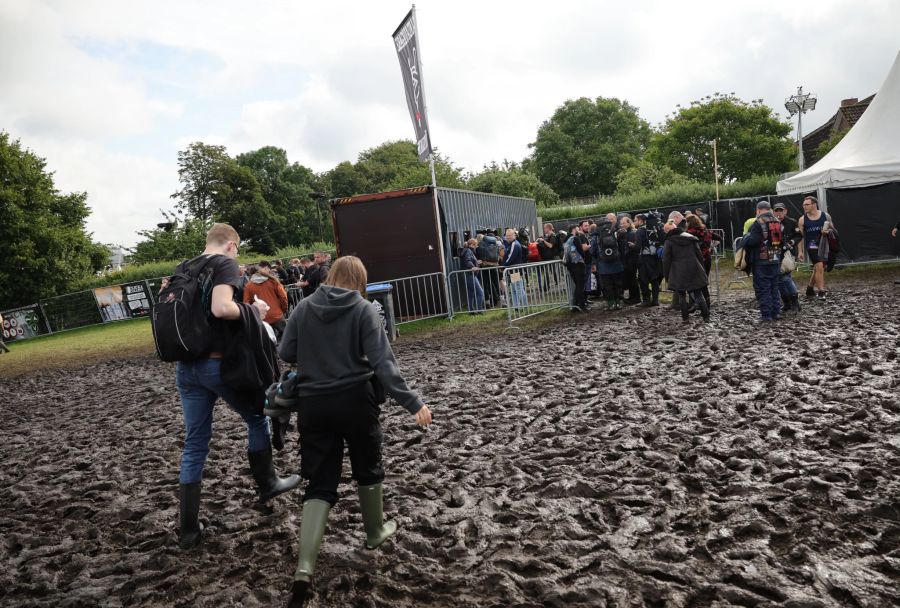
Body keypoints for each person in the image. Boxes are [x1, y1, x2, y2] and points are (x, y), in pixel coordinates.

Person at [277, 256, 432, 606]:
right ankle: (375, 532)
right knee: (367, 466)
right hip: (356, 401)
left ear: (330, 276)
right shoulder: (363, 310)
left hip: (313, 404)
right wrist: (413, 403)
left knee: (320, 483)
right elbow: (383, 363)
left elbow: (286, 351)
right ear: (360, 280)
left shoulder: (303, 309)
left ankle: (304, 567)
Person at [173, 223, 300, 551]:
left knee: (195, 443)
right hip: (219, 364)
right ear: (230, 245)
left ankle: (188, 529)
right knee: (257, 418)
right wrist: (253, 311)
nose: (238, 254)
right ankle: (268, 483)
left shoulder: (184, 267)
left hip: (186, 368)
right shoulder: (223, 264)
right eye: (238, 248)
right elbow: (220, 308)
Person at [662, 218, 710, 323]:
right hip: (694, 268)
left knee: (682, 296)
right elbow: (699, 255)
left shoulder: (669, 242)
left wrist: (667, 276)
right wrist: (701, 268)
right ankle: (706, 317)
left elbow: (666, 260)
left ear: (667, 231)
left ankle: (685, 318)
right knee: (698, 294)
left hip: (678, 271)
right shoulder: (691, 238)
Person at [742, 201, 783, 322]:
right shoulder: (778, 222)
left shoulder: (758, 223)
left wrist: (746, 238)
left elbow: (753, 241)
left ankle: (766, 315)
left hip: (761, 260)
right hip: (775, 259)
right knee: (774, 288)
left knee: (763, 288)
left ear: (758, 210)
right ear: (769, 209)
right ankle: (776, 313)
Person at [797, 196, 834, 301]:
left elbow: (833, 229)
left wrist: (827, 232)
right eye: (803, 204)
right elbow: (800, 237)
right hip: (812, 245)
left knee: (818, 268)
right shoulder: (802, 219)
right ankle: (821, 291)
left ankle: (809, 288)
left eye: (807, 204)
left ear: (814, 204)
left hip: (824, 244)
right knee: (819, 266)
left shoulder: (825, 216)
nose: (804, 206)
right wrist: (800, 251)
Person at [243, 260, 290, 338]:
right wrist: (283, 309)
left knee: (268, 344)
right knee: (288, 339)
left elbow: (246, 303)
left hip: (261, 318)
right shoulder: (273, 281)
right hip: (276, 315)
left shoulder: (249, 286)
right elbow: (283, 297)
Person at [773, 203, 802, 314]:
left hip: (788, 254)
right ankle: (787, 303)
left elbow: (799, 235)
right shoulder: (771, 223)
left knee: (786, 277)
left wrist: (792, 242)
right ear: (773, 212)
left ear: (785, 211)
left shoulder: (791, 222)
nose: (779, 213)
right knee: (779, 280)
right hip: (775, 253)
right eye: (777, 211)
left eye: (781, 210)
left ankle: (795, 303)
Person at [685, 214, 713, 309]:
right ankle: (706, 305)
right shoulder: (705, 229)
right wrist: (710, 247)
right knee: (703, 282)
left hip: (697, 259)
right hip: (707, 258)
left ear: (690, 222)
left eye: (687, 221)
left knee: (695, 283)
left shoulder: (690, 233)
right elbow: (718, 237)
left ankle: (698, 304)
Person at [634, 214, 663, 307]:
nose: (634, 222)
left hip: (645, 258)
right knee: (654, 279)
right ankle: (655, 300)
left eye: (635, 220)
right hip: (655, 257)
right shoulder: (655, 229)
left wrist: (632, 246)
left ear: (641, 221)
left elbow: (638, 246)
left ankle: (646, 300)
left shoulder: (640, 230)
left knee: (643, 279)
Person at [502, 228, 528, 310]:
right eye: (507, 236)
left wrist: (503, 266)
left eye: (510, 235)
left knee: (518, 289)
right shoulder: (510, 244)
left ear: (514, 235)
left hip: (515, 271)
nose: (508, 237)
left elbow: (510, 258)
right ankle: (517, 306)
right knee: (513, 289)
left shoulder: (514, 244)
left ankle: (525, 306)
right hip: (512, 271)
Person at [564, 225, 588, 312]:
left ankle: (575, 305)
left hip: (570, 265)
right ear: (574, 229)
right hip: (578, 264)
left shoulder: (566, 240)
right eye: (578, 229)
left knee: (577, 285)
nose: (579, 230)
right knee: (580, 286)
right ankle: (581, 305)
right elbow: (581, 251)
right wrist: (583, 259)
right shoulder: (575, 238)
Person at [618, 216, 640, 304]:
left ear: (629, 223)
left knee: (632, 279)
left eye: (624, 223)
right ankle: (632, 297)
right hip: (627, 259)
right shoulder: (626, 232)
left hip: (631, 260)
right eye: (621, 223)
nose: (622, 225)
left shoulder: (632, 232)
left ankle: (636, 298)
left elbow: (630, 247)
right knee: (630, 279)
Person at [459, 238, 485, 313]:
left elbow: (468, 260)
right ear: (472, 245)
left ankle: (471, 310)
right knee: (480, 292)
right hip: (469, 274)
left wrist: (476, 262)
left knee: (471, 293)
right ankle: (479, 310)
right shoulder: (468, 251)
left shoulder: (467, 250)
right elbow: (467, 261)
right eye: (476, 245)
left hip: (467, 274)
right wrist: (472, 267)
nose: (476, 247)